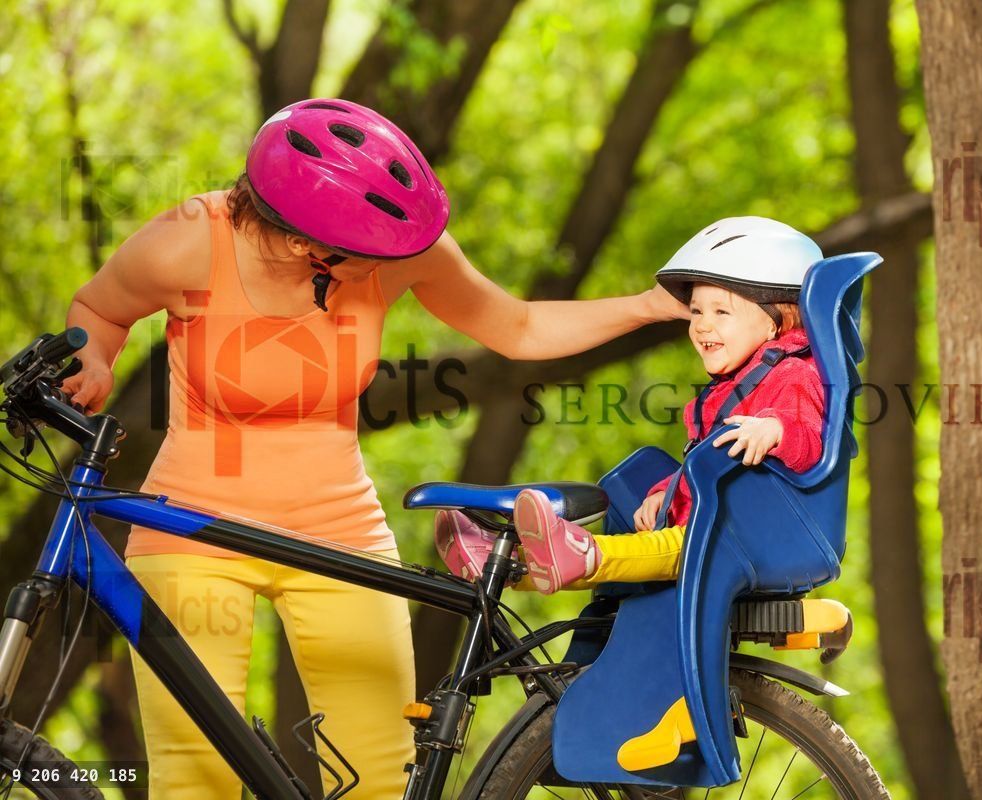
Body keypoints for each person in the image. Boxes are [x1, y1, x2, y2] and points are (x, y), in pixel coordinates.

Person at [61, 98, 687, 800]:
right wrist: (94, 360)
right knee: (196, 776)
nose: (391, 264)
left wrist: (649, 305)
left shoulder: (392, 248)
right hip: (192, 528)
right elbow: (99, 309)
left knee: (377, 773)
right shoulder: (185, 243)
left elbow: (518, 327)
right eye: (369, 256)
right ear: (307, 244)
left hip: (339, 529)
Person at [436, 216, 826, 592]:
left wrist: (775, 429)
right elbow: (699, 466)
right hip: (706, 523)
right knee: (635, 557)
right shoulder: (725, 391)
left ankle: (582, 552)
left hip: (736, 539)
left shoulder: (791, 376)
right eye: (695, 312)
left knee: (663, 548)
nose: (702, 325)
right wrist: (666, 494)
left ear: (778, 321)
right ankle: (504, 566)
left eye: (722, 312)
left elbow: (808, 440)